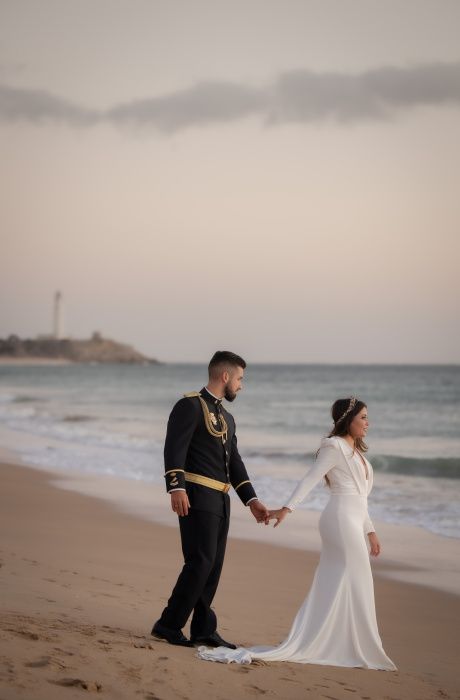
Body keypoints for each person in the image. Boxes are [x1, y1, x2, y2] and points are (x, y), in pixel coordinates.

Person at [198, 397, 396, 670]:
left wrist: (371, 531)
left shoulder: (357, 453)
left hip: (354, 520)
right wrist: (287, 509)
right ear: (347, 419)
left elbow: (361, 498)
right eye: (362, 417)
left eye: (366, 417)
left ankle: (348, 643)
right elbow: (310, 479)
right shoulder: (334, 446)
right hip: (339, 521)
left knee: (347, 581)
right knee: (355, 577)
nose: (367, 422)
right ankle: (352, 646)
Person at [152, 351, 270, 648]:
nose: (242, 385)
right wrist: (175, 487)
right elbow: (173, 448)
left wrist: (251, 500)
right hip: (195, 495)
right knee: (199, 562)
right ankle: (168, 624)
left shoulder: (227, 417)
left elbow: (234, 464)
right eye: (240, 378)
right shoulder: (189, 406)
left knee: (213, 567)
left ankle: (203, 629)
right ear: (225, 376)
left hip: (221, 499)